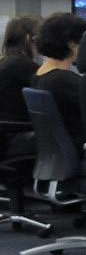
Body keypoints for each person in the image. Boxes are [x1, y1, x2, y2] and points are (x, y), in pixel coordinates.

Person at [31, 12, 86, 151]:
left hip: (59, 153)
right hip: (83, 151)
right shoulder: (63, 80)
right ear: (72, 44)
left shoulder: (39, 76)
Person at [0, 15, 41, 156]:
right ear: (29, 39)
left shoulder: (6, 62)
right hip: (15, 136)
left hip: (6, 135)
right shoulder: (23, 66)